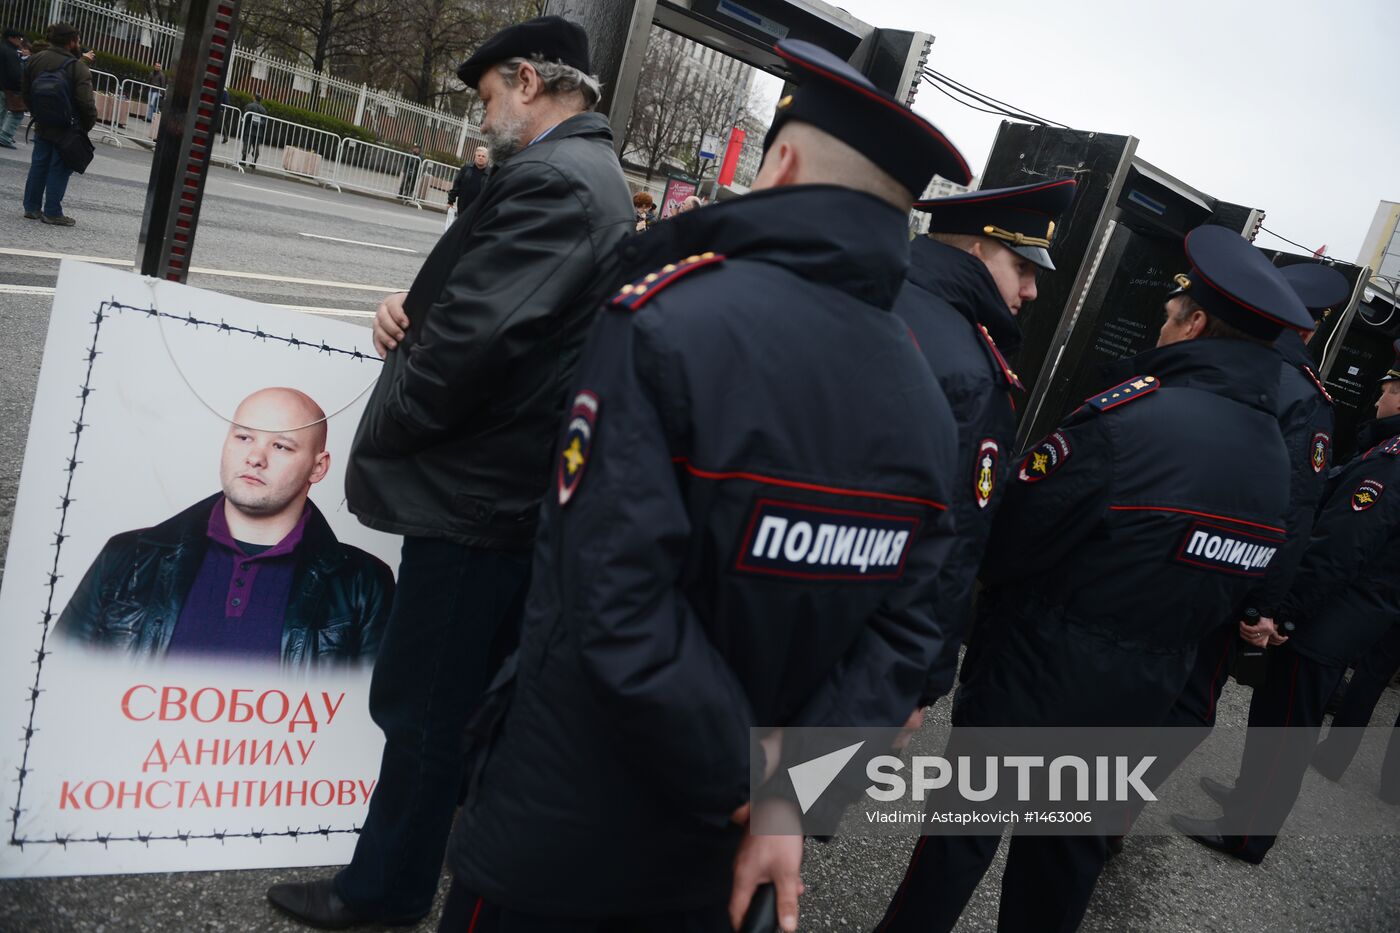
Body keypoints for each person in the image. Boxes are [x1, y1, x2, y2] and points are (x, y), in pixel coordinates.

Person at [438, 38, 969, 933]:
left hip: (570, 831)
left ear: (784, 162)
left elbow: (613, 597)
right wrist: (784, 794)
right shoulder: (925, 394)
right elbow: (909, 625)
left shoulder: (668, 321)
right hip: (737, 864)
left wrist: (747, 782)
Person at [264, 15, 634, 929]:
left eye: (488, 97)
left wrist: (393, 417)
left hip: (476, 492)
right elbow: (482, 306)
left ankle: (381, 891)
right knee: (458, 709)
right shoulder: (583, 176)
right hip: (509, 484)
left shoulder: (554, 178)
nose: (484, 117)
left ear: (526, 80)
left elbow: (472, 345)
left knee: (424, 711)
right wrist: (409, 308)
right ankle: (438, 878)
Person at [875, 224, 1314, 933]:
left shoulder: (1129, 418)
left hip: (1035, 677)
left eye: (1171, 317)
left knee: (956, 846)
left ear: (1196, 323)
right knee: (1061, 868)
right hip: (1139, 695)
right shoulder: (1273, 456)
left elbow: (1012, 539)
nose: (1162, 329)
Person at [1112, 262, 1350, 844]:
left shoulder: (1218, 360)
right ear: (1311, 328)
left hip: (1160, 553)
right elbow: (1292, 512)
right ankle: (1109, 818)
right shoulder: (1305, 395)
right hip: (1229, 571)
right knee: (1188, 706)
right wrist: (1263, 606)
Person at [1177, 352, 1400, 861]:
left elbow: (1342, 546)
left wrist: (1288, 610)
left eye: (1387, 390)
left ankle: (1247, 833)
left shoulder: (1392, 460)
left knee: (1287, 729)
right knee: (1276, 714)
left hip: (1333, 617)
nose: (1378, 396)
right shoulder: (1385, 450)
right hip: (1339, 610)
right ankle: (1247, 801)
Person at [54, 388, 393, 667]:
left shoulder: (363, 584)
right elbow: (56, 687)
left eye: (280, 446)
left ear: (317, 468)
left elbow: (370, 727)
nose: (255, 458)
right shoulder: (129, 557)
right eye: (244, 437)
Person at [898, 179, 1078, 701]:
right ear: (978, 252)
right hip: (866, 642)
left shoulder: (875, 292)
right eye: (1022, 268)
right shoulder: (970, 365)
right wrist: (922, 678)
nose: (1031, 291)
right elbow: (952, 540)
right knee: (808, 782)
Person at [21, 22, 96, 226]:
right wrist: (86, 126)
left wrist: (38, 112)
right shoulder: (77, 68)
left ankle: (31, 207)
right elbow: (86, 103)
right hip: (68, 126)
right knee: (60, 167)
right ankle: (53, 212)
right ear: (71, 42)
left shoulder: (35, 60)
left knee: (39, 163)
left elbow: (26, 93)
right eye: (78, 40)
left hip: (43, 122)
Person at [446, 144, 490, 215]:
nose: (480, 158)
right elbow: (457, 184)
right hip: (463, 205)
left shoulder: (490, 173)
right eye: (478, 155)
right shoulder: (466, 168)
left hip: (479, 208)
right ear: (475, 156)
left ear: (487, 159)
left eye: (483, 156)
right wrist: (450, 201)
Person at [1, 28, 25, 149]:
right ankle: (4, 137)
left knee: (3, 111)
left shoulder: (4, 48)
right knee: (16, 113)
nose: (21, 42)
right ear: (11, 38)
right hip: (8, 88)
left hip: (3, 86)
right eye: (19, 38)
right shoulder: (10, 52)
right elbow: (14, 73)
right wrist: (19, 87)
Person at [241, 92, 268, 165]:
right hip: (259, 131)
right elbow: (264, 122)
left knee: (247, 143)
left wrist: (243, 127)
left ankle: (243, 160)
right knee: (256, 146)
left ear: (254, 97)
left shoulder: (250, 106)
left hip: (249, 129)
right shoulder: (263, 109)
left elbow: (246, 118)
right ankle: (254, 163)